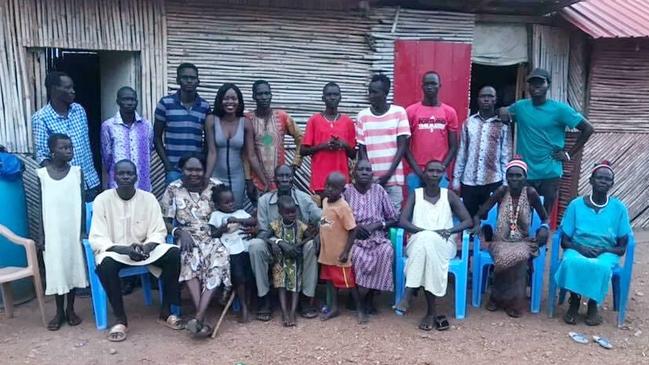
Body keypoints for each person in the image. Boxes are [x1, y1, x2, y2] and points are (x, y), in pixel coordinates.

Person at [89, 160, 182, 342]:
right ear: (114, 176)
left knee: (173, 253)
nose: (125, 177)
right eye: (121, 173)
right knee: (105, 264)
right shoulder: (102, 200)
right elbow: (98, 237)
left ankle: (166, 311)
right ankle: (120, 320)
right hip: (116, 251)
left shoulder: (148, 199)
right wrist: (124, 249)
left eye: (129, 173)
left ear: (136, 177)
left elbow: (158, 231)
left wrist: (147, 247)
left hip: (145, 249)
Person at [499, 68, 594, 214]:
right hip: (525, 172)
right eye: (532, 83)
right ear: (528, 87)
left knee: (544, 214)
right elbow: (503, 113)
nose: (536, 86)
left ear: (548, 85)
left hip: (550, 172)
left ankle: (542, 234)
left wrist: (569, 154)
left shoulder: (560, 109)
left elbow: (587, 129)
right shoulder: (520, 107)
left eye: (540, 82)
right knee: (522, 213)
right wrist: (502, 110)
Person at [393, 160, 472, 331]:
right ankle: (431, 312)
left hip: (444, 243)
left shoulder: (449, 195)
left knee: (428, 243)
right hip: (418, 242)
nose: (434, 175)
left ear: (443, 174)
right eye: (431, 171)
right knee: (426, 241)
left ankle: (409, 291)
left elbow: (468, 221)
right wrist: (421, 230)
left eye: (438, 171)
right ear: (424, 173)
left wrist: (449, 231)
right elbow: (402, 221)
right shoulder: (416, 194)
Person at [160, 154, 229, 337]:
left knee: (220, 256)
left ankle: (198, 317)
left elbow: (228, 210)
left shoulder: (216, 186)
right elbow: (164, 220)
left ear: (205, 170)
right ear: (181, 170)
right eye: (189, 169)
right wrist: (179, 232)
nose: (194, 173)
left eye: (198, 169)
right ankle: (202, 318)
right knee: (188, 256)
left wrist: (222, 229)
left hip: (214, 236)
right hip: (187, 236)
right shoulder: (173, 189)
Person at [555, 161, 631, 326]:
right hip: (577, 247)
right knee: (571, 261)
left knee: (601, 266)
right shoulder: (576, 205)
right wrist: (580, 247)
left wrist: (604, 249)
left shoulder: (619, 208)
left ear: (612, 184)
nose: (603, 181)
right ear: (591, 180)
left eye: (607, 179)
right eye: (599, 178)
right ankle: (574, 301)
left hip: (606, 250)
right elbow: (564, 241)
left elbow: (622, 246)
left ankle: (592, 305)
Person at [472, 158, 549, 317]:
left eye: (518, 175)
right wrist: (477, 224)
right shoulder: (501, 192)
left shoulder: (531, 193)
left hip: (523, 240)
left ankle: (514, 302)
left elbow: (545, 217)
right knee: (503, 254)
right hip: (500, 239)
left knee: (519, 256)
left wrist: (544, 228)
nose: (514, 179)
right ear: (506, 177)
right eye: (511, 175)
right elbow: (480, 213)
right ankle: (496, 298)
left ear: (525, 177)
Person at [251, 164, 321, 321]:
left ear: (293, 178)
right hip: (273, 249)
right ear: (275, 179)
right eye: (281, 176)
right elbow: (263, 233)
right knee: (256, 246)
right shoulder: (264, 201)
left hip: (298, 248)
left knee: (311, 245)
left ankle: (305, 298)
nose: (284, 179)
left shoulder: (303, 198)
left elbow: (322, 218)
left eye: (288, 176)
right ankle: (264, 298)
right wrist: (279, 242)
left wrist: (318, 235)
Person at [36, 133, 88, 331]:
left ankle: (71, 309)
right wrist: (41, 235)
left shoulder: (77, 172)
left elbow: (81, 204)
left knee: (72, 267)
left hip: (72, 230)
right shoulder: (42, 174)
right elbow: (40, 207)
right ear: (52, 150)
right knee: (57, 270)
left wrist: (82, 231)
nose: (69, 151)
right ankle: (58, 311)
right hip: (53, 231)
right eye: (63, 148)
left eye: (70, 147)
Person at [32, 71, 100, 200]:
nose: (73, 91)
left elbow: (85, 145)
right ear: (54, 90)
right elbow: (41, 155)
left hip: (89, 180)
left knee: (90, 218)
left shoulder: (79, 110)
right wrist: (59, 177)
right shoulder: (41, 118)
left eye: (72, 87)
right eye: (68, 88)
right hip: (64, 185)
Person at [343, 160, 399, 313]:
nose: (364, 172)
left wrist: (377, 225)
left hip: (377, 235)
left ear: (372, 174)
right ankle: (357, 297)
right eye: (360, 169)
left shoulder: (379, 190)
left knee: (386, 251)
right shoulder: (346, 191)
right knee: (356, 254)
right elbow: (338, 216)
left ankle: (370, 297)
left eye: (368, 170)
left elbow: (394, 218)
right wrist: (354, 227)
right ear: (353, 173)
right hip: (353, 237)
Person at [204, 83, 269, 209]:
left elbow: (251, 155)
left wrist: (264, 180)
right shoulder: (211, 120)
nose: (230, 102)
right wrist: (207, 178)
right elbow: (212, 152)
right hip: (216, 176)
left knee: (235, 211)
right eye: (226, 98)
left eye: (234, 98)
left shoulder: (245, 123)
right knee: (214, 211)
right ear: (220, 100)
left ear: (239, 101)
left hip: (237, 177)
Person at [452, 86, 511, 218]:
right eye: (483, 96)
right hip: (469, 181)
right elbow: (462, 152)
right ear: (478, 100)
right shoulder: (468, 123)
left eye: (490, 96)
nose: (486, 99)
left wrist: (505, 182)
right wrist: (456, 178)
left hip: (493, 180)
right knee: (468, 219)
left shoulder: (502, 125)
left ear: (495, 100)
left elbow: (505, 154)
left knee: (489, 221)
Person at [356, 74, 410, 211]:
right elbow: (362, 149)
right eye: (370, 92)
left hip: (393, 180)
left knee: (392, 217)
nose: (371, 95)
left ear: (385, 93)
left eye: (375, 92)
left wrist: (387, 175)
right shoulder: (363, 116)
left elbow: (402, 146)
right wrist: (368, 175)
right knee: (372, 216)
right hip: (371, 181)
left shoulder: (399, 112)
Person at [318, 172, 367, 324]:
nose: (329, 189)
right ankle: (333, 307)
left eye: (334, 188)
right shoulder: (325, 201)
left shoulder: (343, 207)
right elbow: (325, 222)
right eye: (327, 185)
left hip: (340, 253)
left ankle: (360, 310)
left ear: (342, 190)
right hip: (327, 253)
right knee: (330, 282)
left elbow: (353, 230)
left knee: (349, 283)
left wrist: (346, 251)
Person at [245, 80, 303, 199]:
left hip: (281, 182)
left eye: (267, 93)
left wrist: (295, 164)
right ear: (253, 96)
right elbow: (245, 153)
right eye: (260, 94)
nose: (264, 97)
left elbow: (301, 138)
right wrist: (248, 180)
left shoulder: (282, 116)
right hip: (257, 182)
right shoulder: (247, 119)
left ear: (271, 95)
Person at [154, 63, 210, 184]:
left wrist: (203, 161)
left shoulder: (204, 106)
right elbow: (157, 137)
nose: (189, 81)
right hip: (174, 170)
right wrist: (167, 165)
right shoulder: (165, 103)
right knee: (173, 202)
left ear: (198, 81)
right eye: (185, 77)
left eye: (193, 78)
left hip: (197, 170)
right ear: (178, 80)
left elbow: (208, 140)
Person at [208, 184, 257, 323]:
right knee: (239, 276)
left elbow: (253, 221)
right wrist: (222, 229)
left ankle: (247, 304)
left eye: (232, 201)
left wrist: (238, 220)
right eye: (226, 202)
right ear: (217, 204)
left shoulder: (240, 213)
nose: (231, 205)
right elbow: (212, 234)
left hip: (245, 248)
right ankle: (243, 306)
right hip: (230, 251)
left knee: (249, 275)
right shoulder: (216, 216)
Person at [405, 71, 459, 191]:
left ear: (439, 86)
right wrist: (419, 172)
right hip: (415, 172)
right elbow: (405, 147)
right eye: (427, 84)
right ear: (422, 86)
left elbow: (454, 146)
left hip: (439, 172)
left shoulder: (449, 112)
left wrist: (441, 168)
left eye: (433, 83)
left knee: (439, 207)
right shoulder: (410, 111)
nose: (430, 87)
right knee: (415, 207)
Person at [301, 82, 356, 196]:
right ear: (323, 98)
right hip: (321, 180)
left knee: (340, 212)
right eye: (329, 94)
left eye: (335, 94)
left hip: (342, 179)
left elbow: (353, 154)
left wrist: (343, 145)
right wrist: (323, 146)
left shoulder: (348, 122)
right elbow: (303, 151)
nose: (332, 97)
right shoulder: (314, 120)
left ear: (340, 97)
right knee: (323, 212)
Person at [262, 195, 310, 327]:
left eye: (293, 211)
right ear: (280, 212)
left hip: (295, 261)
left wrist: (298, 245)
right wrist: (275, 243)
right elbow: (264, 237)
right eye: (287, 212)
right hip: (280, 262)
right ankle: (284, 312)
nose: (291, 215)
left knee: (295, 287)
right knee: (281, 286)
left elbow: (310, 237)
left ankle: (293, 312)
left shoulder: (300, 225)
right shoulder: (275, 224)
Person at [100, 87, 154, 191]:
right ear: (118, 101)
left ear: (137, 102)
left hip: (142, 183)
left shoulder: (146, 125)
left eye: (132, 99)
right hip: (118, 184)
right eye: (125, 99)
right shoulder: (108, 126)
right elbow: (106, 157)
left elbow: (149, 150)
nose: (129, 103)